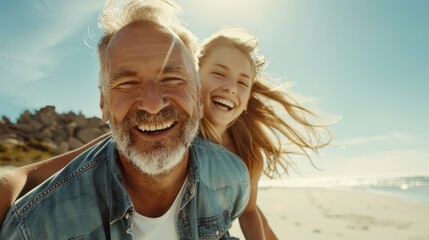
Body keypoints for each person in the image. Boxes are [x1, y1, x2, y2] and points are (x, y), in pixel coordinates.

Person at [0, 0, 251, 239]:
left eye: (172, 79)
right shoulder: (38, 227)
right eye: (127, 83)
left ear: (197, 98)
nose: (153, 105)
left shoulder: (231, 180)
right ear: (103, 103)